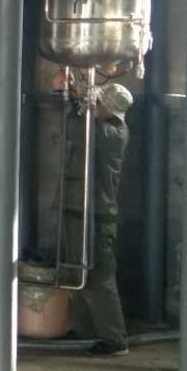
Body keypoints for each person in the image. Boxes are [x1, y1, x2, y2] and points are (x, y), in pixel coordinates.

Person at [67, 82, 134, 356]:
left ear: (109, 108)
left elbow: (80, 131)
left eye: (101, 102)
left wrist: (74, 100)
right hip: (82, 211)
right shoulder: (104, 127)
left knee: (98, 276)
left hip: (97, 216)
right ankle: (83, 331)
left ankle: (115, 339)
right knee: (79, 272)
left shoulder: (113, 133)